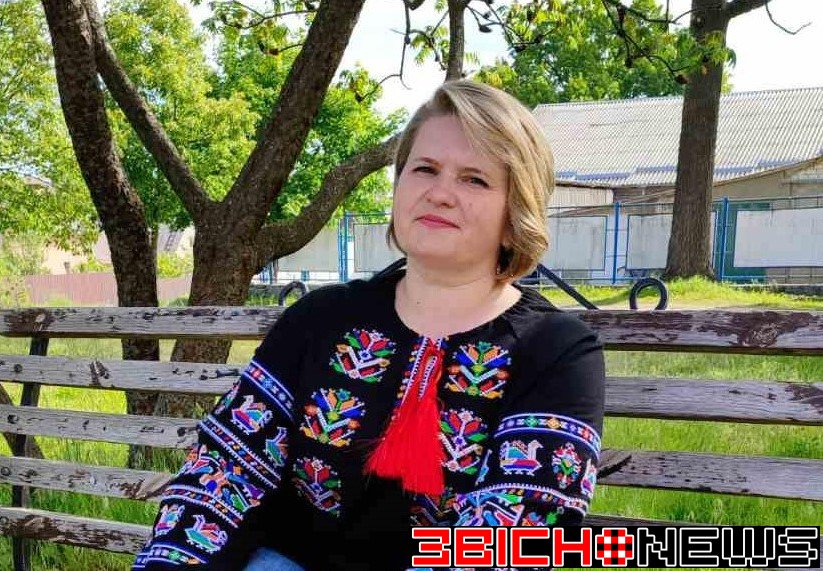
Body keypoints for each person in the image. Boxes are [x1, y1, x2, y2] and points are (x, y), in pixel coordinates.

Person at [133, 80, 605, 571]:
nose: (440, 193)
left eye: (475, 179)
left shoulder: (557, 351)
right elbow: (226, 470)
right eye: (424, 169)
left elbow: (520, 531)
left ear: (515, 212)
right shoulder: (321, 318)